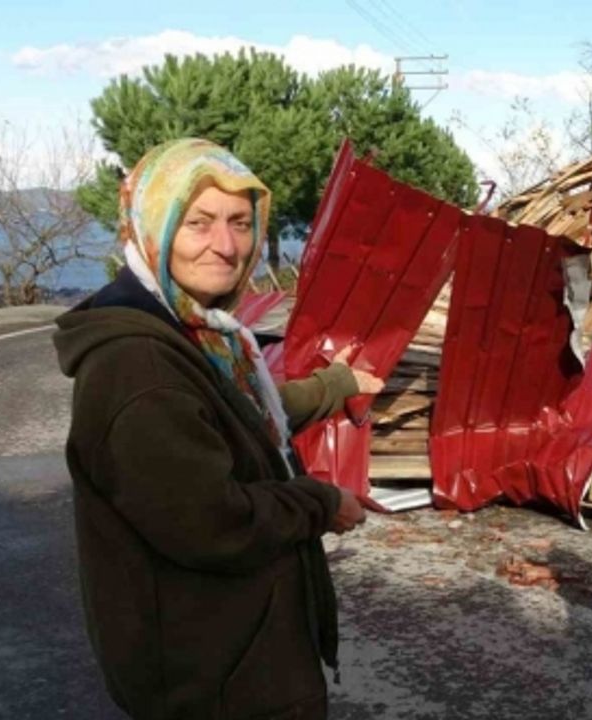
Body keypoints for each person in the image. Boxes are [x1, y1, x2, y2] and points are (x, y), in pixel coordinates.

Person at [54, 138, 383, 720]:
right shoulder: (139, 366)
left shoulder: (193, 331)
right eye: (198, 223)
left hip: (233, 651)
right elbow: (213, 523)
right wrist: (320, 500)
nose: (227, 246)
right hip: (212, 676)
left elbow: (238, 416)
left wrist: (335, 386)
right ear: (150, 227)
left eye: (239, 223)